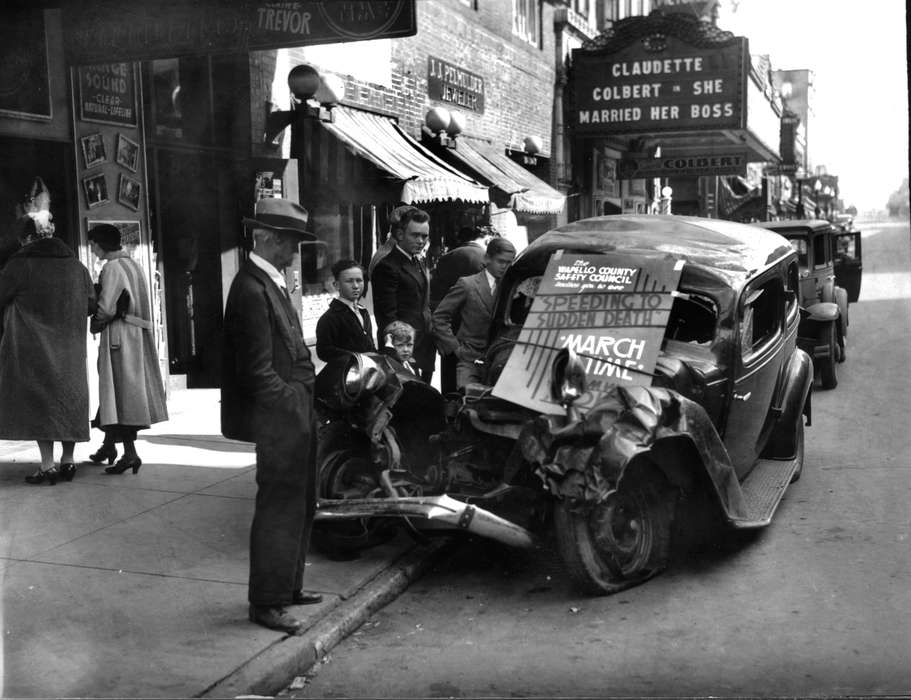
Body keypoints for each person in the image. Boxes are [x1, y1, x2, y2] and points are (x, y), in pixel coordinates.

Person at [221, 198, 323, 635]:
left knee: (301, 504)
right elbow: (257, 371)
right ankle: (267, 602)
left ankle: (288, 586)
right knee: (279, 509)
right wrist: (290, 403)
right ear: (267, 239)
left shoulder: (269, 280)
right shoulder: (249, 288)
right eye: (290, 241)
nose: (295, 250)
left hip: (295, 409)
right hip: (281, 416)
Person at [0, 211, 95, 485]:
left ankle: (47, 465)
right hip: (71, 350)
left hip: (33, 350)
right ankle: (68, 462)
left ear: (27, 238)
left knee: (42, 405)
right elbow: (91, 305)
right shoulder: (78, 267)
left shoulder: (19, 265)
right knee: (69, 402)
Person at [86, 224, 168, 475]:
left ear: (100, 244)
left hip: (120, 336)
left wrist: (95, 324)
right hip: (139, 335)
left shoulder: (111, 268)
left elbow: (107, 308)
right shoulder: (134, 265)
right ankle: (108, 446)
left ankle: (130, 454)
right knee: (123, 393)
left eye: (93, 245)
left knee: (120, 394)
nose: (92, 249)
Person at [432, 237, 517, 388]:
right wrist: (455, 348)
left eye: (508, 263)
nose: (504, 267)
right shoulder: (467, 284)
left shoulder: (511, 288)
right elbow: (440, 317)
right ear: (487, 258)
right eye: (500, 261)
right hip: (469, 359)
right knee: (469, 401)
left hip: (499, 361)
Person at [370, 206, 436, 383]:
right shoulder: (387, 266)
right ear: (400, 235)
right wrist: (399, 349)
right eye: (415, 235)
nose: (421, 241)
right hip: (403, 346)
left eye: (424, 236)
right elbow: (387, 316)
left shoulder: (417, 260)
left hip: (424, 343)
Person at [429, 226, 488, 393]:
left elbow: (435, 299)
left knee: (449, 382)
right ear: (485, 239)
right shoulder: (486, 259)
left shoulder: (446, 258)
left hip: (449, 332)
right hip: (476, 333)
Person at [315, 259, 375, 363]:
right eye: (349, 281)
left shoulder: (363, 312)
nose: (356, 286)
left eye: (359, 280)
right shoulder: (330, 318)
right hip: (345, 373)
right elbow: (323, 352)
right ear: (337, 285)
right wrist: (357, 357)